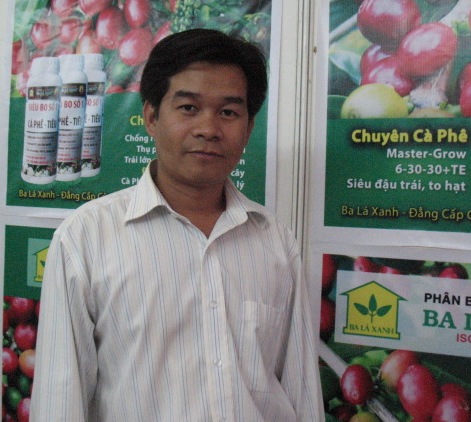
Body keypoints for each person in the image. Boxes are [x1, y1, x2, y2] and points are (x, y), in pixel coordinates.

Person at [30, 28, 322, 421]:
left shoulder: (274, 240)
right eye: (188, 108)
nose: (208, 129)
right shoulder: (86, 238)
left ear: (249, 128)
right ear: (151, 116)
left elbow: (301, 391)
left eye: (228, 112)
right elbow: (60, 399)